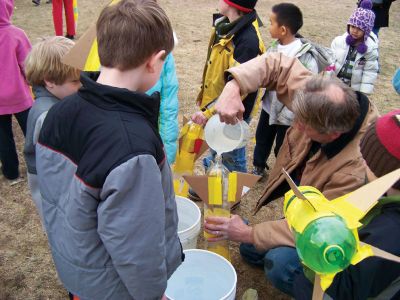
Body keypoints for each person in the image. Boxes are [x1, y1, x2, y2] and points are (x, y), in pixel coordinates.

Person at [35, 0, 183, 298]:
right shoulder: (133, 148)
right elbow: (136, 246)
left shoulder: (55, 114)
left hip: (78, 269)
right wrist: (153, 293)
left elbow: (51, 194)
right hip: (116, 288)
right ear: (156, 61)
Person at [205, 75, 378, 297]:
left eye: (304, 125)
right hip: (311, 211)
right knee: (250, 248)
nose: (295, 126)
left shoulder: (353, 172)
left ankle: (319, 289)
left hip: (333, 239)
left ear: (333, 134)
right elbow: (275, 64)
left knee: (278, 263)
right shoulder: (317, 96)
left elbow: (317, 228)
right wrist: (233, 85)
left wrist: (248, 232)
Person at [293, 109, 400, 300]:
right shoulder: (386, 202)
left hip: (349, 287)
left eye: (366, 159)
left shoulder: (390, 232)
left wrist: (309, 236)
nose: (361, 162)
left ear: (383, 171)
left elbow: (345, 288)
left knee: (296, 277)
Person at [191, 0, 265, 175]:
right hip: (216, 105)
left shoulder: (247, 41)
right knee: (218, 145)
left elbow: (239, 88)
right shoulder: (223, 25)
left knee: (232, 155)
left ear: (233, 4)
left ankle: (233, 195)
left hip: (233, 112)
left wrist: (208, 112)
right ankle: (213, 180)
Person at [252, 3, 319, 176]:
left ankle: (281, 174)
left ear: (282, 29)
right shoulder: (273, 47)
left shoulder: (304, 55)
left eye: (271, 22)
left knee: (283, 146)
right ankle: (258, 165)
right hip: (268, 107)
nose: (268, 26)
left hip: (288, 114)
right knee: (262, 139)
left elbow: (309, 85)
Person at [23, 36, 81, 226]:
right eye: (75, 82)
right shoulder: (49, 117)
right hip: (56, 197)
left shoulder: (54, 103)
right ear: (50, 82)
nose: (81, 86)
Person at [0, 0, 33, 181]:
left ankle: (11, 172)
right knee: (31, 132)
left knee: (3, 138)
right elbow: (28, 66)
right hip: (19, 94)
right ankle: (37, 168)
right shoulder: (17, 34)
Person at [331, 0, 379, 95]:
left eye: (359, 29)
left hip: (353, 90)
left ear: (367, 31)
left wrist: (362, 94)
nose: (355, 31)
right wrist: (326, 78)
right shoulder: (339, 41)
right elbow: (330, 61)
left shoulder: (370, 49)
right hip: (334, 84)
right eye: (353, 26)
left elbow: (369, 72)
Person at [146, 45, 179, 164]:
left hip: (149, 143)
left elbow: (169, 107)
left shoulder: (163, 50)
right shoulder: (114, 40)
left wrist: (167, 155)